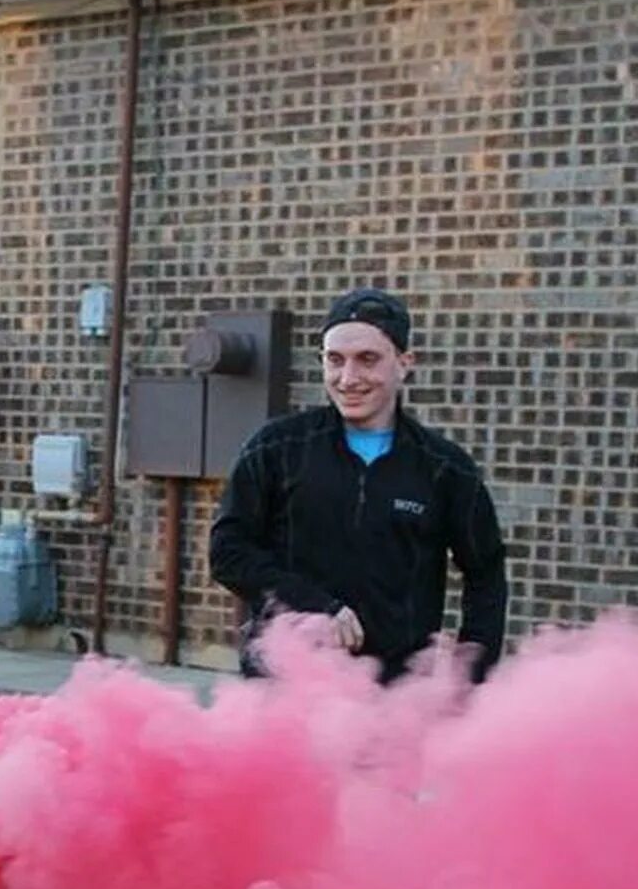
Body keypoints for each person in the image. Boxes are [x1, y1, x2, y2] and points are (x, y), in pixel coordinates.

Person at [209, 285, 507, 683]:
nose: (348, 378)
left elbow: (485, 574)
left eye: (367, 360)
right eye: (335, 360)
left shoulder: (445, 468)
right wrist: (314, 606)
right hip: (284, 688)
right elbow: (229, 552)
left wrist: (471, 675)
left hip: (394, 696)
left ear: (404, 363)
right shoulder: (277, 447)